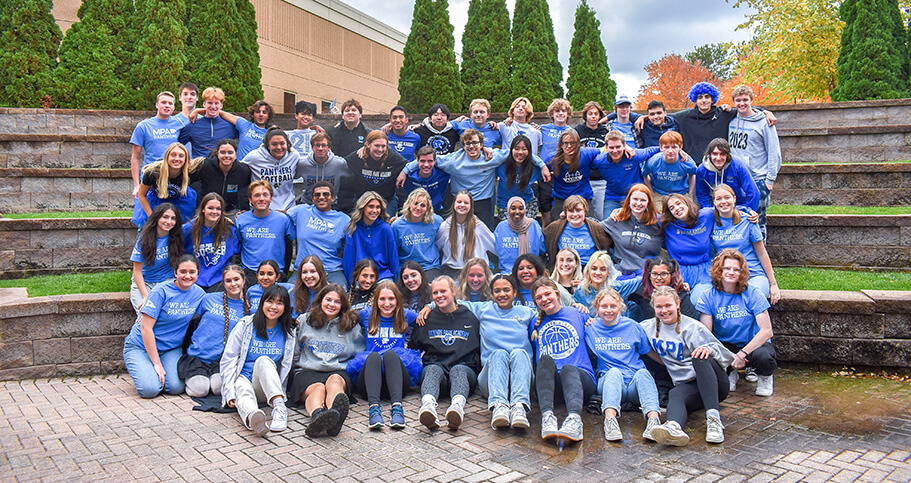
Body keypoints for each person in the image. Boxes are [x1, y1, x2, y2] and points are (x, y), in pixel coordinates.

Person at [399, 129, 551, 231]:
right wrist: (405, 170)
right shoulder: (452, 160)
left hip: (483, 201)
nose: (471, 146)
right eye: (468, 144)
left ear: (482, 144)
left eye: (475, 143)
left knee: (484, 231)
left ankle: (487, 261)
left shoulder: (492, 157)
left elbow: (520, 152)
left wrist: (542, 165)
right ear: (462, 146)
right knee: (457, 231)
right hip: (460, 201)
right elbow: (428, 159)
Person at [437, 274, 536, 430]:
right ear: (492, 294)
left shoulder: (527, 312)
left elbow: (549, 312)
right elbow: (453, 302)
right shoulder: (484, 309)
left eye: (506, 290)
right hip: (491, 379)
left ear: (515, 292)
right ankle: (499, 407)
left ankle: (519, 407)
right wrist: (428, 307)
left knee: (519, 352)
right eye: (497, 291)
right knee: (499, 353)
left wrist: (581, 311)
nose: (502, 294)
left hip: (521, 378)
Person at [642, 286, 734, 446]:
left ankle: (714, 421)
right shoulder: (647, 328)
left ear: (677, 304)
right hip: (688, 385)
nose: (664, 310)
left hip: (715, 384)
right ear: (653, 307)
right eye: (659, 306)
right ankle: (673, 427)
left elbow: (727, 356)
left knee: (699, 355)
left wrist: (708, 349)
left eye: (668, 305)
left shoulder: (692, 327)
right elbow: (624, 329)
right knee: (675, 394)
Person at [585, 288, 663, 442]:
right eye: (604, 306)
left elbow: (648, 352)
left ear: (620, 307)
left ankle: (654, 421)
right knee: (614, 372)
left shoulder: (632, 326)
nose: (608, 310)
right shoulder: (590, 328)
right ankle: (610, 421)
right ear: (596, 308)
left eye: (613, 306)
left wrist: (673, 366)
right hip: (610, 384)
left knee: (643, 373)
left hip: (634, 385)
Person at [123, 254, 205, 398]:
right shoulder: (161, 291)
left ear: (198, 273)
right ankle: (146, 366)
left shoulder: (199, 294)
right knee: (150, 389)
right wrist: (157, 364)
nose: (187, 276)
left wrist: (241, 299)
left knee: (175, 388)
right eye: (183, 272)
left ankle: (152, 370)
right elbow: (145, 328)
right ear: (175, 272)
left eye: (192, 272)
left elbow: (215, 308)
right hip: (140, 346)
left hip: (170, 349)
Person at [698, 249, 777, 396]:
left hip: (753, 345)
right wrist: (727, 356)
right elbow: (705, 334)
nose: (731, 272)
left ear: (742, 272)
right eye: (726, 268)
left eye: (736, 269)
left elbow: (767, 331)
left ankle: (765, 377)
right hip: (727, 345)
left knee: (764, 357)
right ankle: (730, 372)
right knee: (710, 354)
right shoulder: (709, 296)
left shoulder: (753, 293)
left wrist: (741, 354)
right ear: (719, 270)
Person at [220, 284, 296, 435]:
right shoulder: (246, 325)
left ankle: (280, 409)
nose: (274, 307)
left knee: (264, 361)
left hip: (268, 387)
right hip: (244, 378)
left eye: (279, 303)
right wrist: (229, 392)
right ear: (262, 303)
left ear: (285, 308)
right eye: (270, 301)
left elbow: (293, 361)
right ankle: (254, 418)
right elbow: (229, 358)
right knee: (241, 388)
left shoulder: (289, 332)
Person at [289, 284, 364, 437]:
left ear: (343, 305)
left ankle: (334, 415)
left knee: (335, 381)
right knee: (318, 388)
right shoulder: (305, 320)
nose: (331, 304)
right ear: (320, 300)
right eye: (328, 300)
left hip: (338, 370)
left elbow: (360, 351)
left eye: (337, 302)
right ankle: (318, 416)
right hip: (307, 370)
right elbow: (293, 346)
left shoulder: (351, 324)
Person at [530, 278, 596, 444]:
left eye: (547, 294)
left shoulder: (577, 313)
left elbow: (598, 328)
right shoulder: (534, 324)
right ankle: (547, 418)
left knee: (568, 368)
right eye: (539, 298)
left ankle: (574, 420)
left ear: (557, 294)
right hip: (552, 386)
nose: (544, 299)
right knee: (544, 360)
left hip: (580, 380)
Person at [348, 281, 422, 429]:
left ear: (398, 300)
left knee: (390, 355)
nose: (387, 303)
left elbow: (426, 319)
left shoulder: (405, 315)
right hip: (371, 381)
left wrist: (429, 308)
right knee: (374, 357)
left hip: (396, 381)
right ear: (375, 301)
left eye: (391, 299)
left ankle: (397, 408)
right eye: (382, 299)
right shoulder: (366, 315)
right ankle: (374, 409)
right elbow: (343, 317)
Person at [411, 276, 481, 431]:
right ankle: (428, 407)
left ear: (454, 291)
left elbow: (478, 347)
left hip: (464, 371)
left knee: (459, 370)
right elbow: (413, 346)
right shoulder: (426, 318)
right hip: (438, 374)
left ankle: (457, 408)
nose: (439, 295)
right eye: (435, 293)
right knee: (431, 369)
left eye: (443, 291)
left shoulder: (469, 316)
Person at [179, 264, 249, 397]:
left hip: (221, 360)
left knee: (217, 388)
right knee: (200, 390)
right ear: (223, 283)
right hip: (199, 356)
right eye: (228, 281)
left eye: (236, 279)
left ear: (243, 280)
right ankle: (191, 378)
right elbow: (187, 317)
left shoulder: (247, 308)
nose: (233, 284)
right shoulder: (209, 299)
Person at [664, 81, 775, 162]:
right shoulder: (685, 116)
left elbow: (745, 109)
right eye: (700, 97)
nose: (703, 100)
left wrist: (766, 112)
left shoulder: (723, 113)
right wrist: (645, 118)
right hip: (694, 165)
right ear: (695, 100)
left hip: (719, 163)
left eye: (707, 97)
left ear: (712, 99)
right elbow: (661, 118)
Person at [710, 184, 780, 302]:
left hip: (752, 273)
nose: (723, 202)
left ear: (734, 199)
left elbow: (762, 253)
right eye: (719, 199)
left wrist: (773, 284)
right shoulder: (710, 221)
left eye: (727, 197)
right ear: (714, 202)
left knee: (753, 297)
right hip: (726, 275)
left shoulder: (748, 220)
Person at [729, 85, 781, 240]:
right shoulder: (731, 120)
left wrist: (770, 180)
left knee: (758, 221)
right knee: (736, 220)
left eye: (745, 100)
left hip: (758, 179)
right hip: (737, 179)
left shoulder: (764, 123)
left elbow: (774, 152)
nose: (741, 103)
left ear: (752, 100)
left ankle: (760, 260)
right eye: (738, 100)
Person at [286, 181, 349, 286]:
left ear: (333, 198)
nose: (321, 197)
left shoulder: (344, 220)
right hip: (304, 269)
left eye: (326, 194)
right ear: (312, 198)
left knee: (340, 293)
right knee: (289, 293)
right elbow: (279, 216)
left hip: (331, 269)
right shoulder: (301, 211)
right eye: (317, 195)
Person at [235, 180, 295, 285]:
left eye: (265, 195)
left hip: (275, 272)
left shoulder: (283, 220)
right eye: (257, 195)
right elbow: (237, 246)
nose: (261, 199)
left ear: (271, 199)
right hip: (250, 272)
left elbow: (290, 243)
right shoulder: (241, 220)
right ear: (250, 200)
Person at [129, 203, 184, 314]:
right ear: (157, 218)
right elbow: (137, 272)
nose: (169, 222)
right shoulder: (144, 239)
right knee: (146, 315)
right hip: (145, 283)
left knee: (167, 315)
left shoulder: (176, 237)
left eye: (173, 218)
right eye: (165, 217)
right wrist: (146, 296)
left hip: (166, 282)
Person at [601, 184, 664, 277]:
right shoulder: (617, 219)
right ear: (629, 200)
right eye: (635, 199)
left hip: (647, 275)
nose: (638, 203)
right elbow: (595, 228)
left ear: (648, 203)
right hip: (621, 273)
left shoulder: (657, 224)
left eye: (643, 200)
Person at [130, 91, 184, 198]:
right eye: (163, 102)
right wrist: (136, 184)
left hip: (173, 177)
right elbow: (135, 157)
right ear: (156, 105)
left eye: (170, 103)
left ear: (173, 107)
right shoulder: (143, 126)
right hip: (150, 175)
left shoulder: (180, 125)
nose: (167, 105)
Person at [594, 131, 660, 218]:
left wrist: (678, 151)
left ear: (624, 146)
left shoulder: (634, 156)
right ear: (606, 147)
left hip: (635, 196)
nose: (615, 151)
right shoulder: (600, 160)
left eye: (618, 147)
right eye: (611, 147)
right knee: (607, 224)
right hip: (613, 197)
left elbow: (656, 149)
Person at [182, 193, 240, 291]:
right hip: (193, 280)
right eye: (210, 208)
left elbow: (236, 253)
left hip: (219, 281)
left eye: (218, 209)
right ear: (203, 209)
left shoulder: (229, 230)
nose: (214, 212)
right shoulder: (189, 229)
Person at [133, 142, 199, 227]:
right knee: (149, 229)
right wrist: (151, 217)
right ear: (167, 157)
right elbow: (141, 194)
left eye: (181, 156)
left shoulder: (190, 172)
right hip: (156, 202)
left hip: (180, 202)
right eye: (173, 155)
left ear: (186, 159)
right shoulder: (154, 172)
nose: (177, 159)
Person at [341, 130, 407, 215]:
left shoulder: (393, 157)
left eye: (383, 146)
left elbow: (413, 164)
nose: (380, 149)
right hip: (362, 200)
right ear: (368, 144)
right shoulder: (358, 157)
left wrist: (405, 171)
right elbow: (340, 163)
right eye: (377, 145)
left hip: (387, 200)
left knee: (386, 224)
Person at [242, 127, 306, 211]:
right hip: (263, 208)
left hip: (288, 208)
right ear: (268, 146)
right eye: (274, 144)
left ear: (287, 144)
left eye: (282, 143)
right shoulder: (254, 157)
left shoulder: (293, 155)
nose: (279, 147)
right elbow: (238, 169)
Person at [436, 191, 496, 278]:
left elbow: (495, 245)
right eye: (459, 202)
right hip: (452, 270)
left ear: (471, 206)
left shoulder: (479, 226)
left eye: (466, 203)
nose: (462, 205)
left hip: (476, 270)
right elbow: (437, 246)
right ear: (454, 204)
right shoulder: (445, 226)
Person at [343, 191, 399, 283]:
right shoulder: (353, 229)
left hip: (383, 275)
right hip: (360, 277)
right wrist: (351, 284)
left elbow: (393, 257)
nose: (375, 211)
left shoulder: (385, 229)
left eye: (378, 207)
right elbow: (349, 260)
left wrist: (396, 283)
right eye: (371, 206)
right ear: (363, 207)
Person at [549, 129, 604, 220]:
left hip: (583, 198)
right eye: (566, 143)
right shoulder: (552, 159)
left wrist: (626, 147)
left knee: (592, 225)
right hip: (561, 198)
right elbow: (537, 166)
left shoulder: (586, 153)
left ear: (578, 144)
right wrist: (543, 167)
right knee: (555, 227)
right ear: (561, 145)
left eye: (572, 143)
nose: (569, 146)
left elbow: (605, 148)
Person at [190, 99, 272, 161]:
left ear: (268, 116)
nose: (261, 114)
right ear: (253, 114)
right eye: (258, 112)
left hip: (259, 168)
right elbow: (221, 113)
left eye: (264, 112)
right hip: (243, 168)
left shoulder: (270, 134)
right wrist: (198, 110)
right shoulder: (244, 125)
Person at [542, 196, 611, 266]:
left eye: (578, 210)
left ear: (585, 211)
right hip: (565, 268)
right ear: (565, 212)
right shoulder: (555, 228)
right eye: (571, 211)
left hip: (588, 268)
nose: (575, 214)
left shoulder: (596, 228)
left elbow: (606, 247)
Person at [694, 138, 760, 211]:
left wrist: (749, 211)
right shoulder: (701, 170)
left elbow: (753, 192)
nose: (718, 158)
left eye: (722, 154)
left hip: (738, 206)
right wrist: (711, 212)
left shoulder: (737, 166)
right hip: (715, 207)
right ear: (709, 154)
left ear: (728, 155)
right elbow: (702, 194)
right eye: (715, 154)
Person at [392, 189, 444, 280]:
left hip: (429, 266)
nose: (418, 208)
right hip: (407, 267)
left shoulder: (436, 221)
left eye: (423, 205)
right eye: (415, 203)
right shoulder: (397, 226)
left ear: (428, 208)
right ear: (409, 204)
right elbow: (394, 252)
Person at [628, 256, 700, 322]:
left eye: (664, 274)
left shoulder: (681, 296)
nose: (659, 278)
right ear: (649, 276)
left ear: (671, 275)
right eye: (655, 274)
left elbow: (690, 323)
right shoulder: (642, 293)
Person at [178, 87, 239, 158]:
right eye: (210, 103)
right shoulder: (192, 126)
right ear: (204, 104)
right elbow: (178, 145)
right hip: (200, 166)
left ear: (221, 105)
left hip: (222, 165)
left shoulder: (230, 126)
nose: (213, 106)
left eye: (216, 103)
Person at [195, 139, 251, 215]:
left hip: (230, 211)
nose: (226, 156)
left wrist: (245, 210)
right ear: (217, 154)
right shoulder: (205, 166)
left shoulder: (243, 170)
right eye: (222, 152)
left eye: (230, 153)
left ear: (236, 154)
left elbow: (245, 192)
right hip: (206, 210)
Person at [495, 137, 544, 222]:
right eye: (516, 149)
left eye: (524, 149)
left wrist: (543, 166)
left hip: (527, 203)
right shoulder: (501, 166)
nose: (520, 152)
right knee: (510, 229)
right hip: (505, 204)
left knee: (526, 228)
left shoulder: (535, 168)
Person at [576, 101, 609, 220]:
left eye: (596, 113)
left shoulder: (605, 132)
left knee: (600, 215)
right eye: (590, 113)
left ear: (600, 116)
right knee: (583, 214)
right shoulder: (578, 131)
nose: (593, 116)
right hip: (583, 180)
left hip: (600, 180)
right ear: (585, 115)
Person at [494, 196, 545, 274]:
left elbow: (542, 248)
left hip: (529, 272)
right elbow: (495, 248)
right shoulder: (501, 227)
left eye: (521, 209)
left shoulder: (533, 225)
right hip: (507, 272)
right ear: (508, 210)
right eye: (513, 208)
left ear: (525, 210)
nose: (517, 211)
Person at [297, 133, 349, 205]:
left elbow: (350, 178)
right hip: (308, 203)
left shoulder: (339, 163)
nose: (320, 149)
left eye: (324, 145)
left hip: (331, 204)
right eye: (317, 145)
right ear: (312, 148)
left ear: (329, 148)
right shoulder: (303, 164)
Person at [642, 131, 696, 201]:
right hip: (659, 194)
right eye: (666, 147)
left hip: (681, 194)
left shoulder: (686, 161)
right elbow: (644, 175)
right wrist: (651, 193)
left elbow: (693, 174)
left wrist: (690, 194)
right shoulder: (653, 161)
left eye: (674, 147)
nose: (670, 151)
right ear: (661, 148)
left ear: (680, 147)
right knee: (658, 211)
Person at [401, 146, 451, 215]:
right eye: (423, 161)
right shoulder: (408, 178)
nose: (426, 165)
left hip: (436, 212)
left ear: (435, 161)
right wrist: (404, 171)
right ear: (417, 161)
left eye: (430, 161)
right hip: (413, 212)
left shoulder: (443, 175)